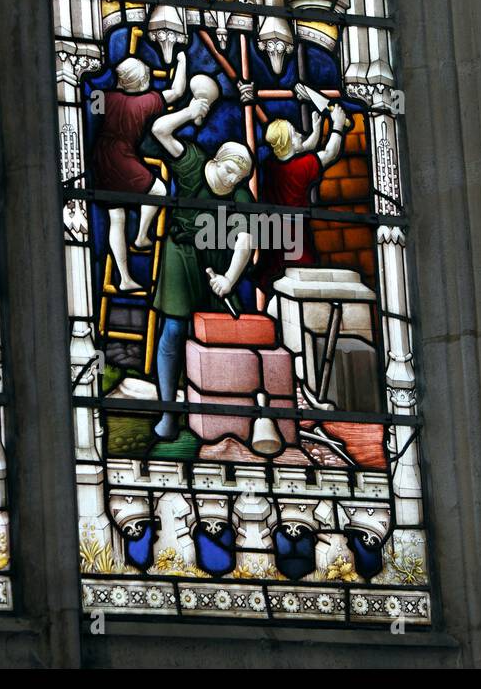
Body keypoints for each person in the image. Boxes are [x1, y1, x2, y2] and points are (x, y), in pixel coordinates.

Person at [147, 76, 254, 441]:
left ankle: (221, 415)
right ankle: (168, 413)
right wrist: (190, 111)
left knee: (224, 330)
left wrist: (229, 279)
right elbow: (160, 130)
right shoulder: (192, 162)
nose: (233, 179)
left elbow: (245, 241)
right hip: (180, 252)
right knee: (175, 329)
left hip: (217, 261)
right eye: (230, 169)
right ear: (218, 160)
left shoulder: (240, 195)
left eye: (240, 176)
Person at [92, 52, 189, 292]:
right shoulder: (146, 102)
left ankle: (124, 279)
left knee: (116, 218)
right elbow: (177, 91)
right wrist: (182, 61)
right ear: (140, 80)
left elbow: (92, 113)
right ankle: (142, 236)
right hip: (121, 157)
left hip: (99, 158)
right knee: (158, 191)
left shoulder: (104, 97)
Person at [255, 82, 349, 293]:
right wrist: (337, 126)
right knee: (302, 279)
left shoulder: (271, 164)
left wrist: (316, 131)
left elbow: (301, 147)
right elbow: (330, 153)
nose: (299, 133)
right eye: (295, 132)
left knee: (276, 277)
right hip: (294, 236)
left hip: (273, 234)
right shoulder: (300, 167)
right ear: (287, 143)